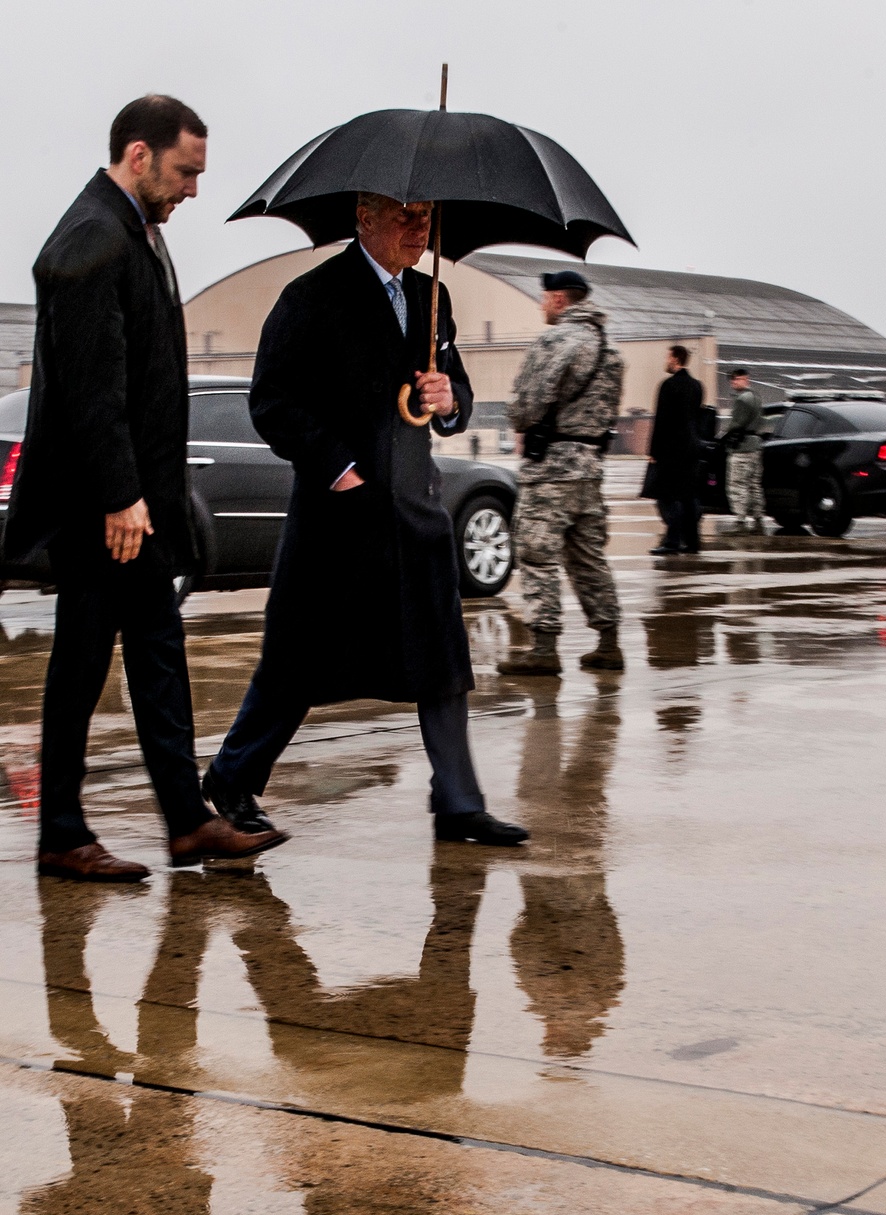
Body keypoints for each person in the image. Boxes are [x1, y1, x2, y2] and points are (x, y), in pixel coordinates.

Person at [4, 95, 283, 882]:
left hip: (134, 503)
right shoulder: (94, 238)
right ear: (138, 155)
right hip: (106, 506)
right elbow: (94, 390)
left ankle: (186, 822)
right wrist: (122, 496)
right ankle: (64, 832)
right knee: (86, 662)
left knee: (154, 652)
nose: (193, 187)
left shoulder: (133, 233)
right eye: (185, 170)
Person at [202, 193, 528, 847]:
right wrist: (336, 464)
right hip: (337, 513)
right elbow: (271, 400)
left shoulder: (433, 298)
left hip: (414, 510)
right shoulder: (312, 296)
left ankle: (459, 803)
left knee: (441, 659)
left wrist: (451, 401)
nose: (418, 229)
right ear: (363, 218)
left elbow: (455, 397)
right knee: (298, 659)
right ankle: (233, 779)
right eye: (404, 216)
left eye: (426, 217)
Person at [498, 270, 625, 676]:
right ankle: (608, 642)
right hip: (590, 469)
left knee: (537, 555)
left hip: (551, 469)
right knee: (589, 557)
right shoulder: (610, 350)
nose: (541, 306)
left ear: (557, 300)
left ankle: (543, 648)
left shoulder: (556, 341)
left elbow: (525, 405)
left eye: (543, 298)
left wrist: (522, 422)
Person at [647, 343, 704, 555]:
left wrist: (653, 450)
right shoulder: (697, 386)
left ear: (675, 359)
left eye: (668, 357)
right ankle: (692, 542)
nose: (666, 361)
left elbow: (661, 420)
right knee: (689, 496)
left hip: (671, 449)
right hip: (692, 448)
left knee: (668, 496)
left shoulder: (668, 385)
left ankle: (672, 541)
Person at [724, 365, 766, 530]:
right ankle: (758, 517)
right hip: (755, 445)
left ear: (744, 379)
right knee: (754, 484)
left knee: (737, 484)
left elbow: (736, 424)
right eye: (731, 379)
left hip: (742, 447)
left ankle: (740, 520)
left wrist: (727, 435)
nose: (732, 383)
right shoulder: (756, 397)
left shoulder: (741, 399)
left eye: (735, 379)